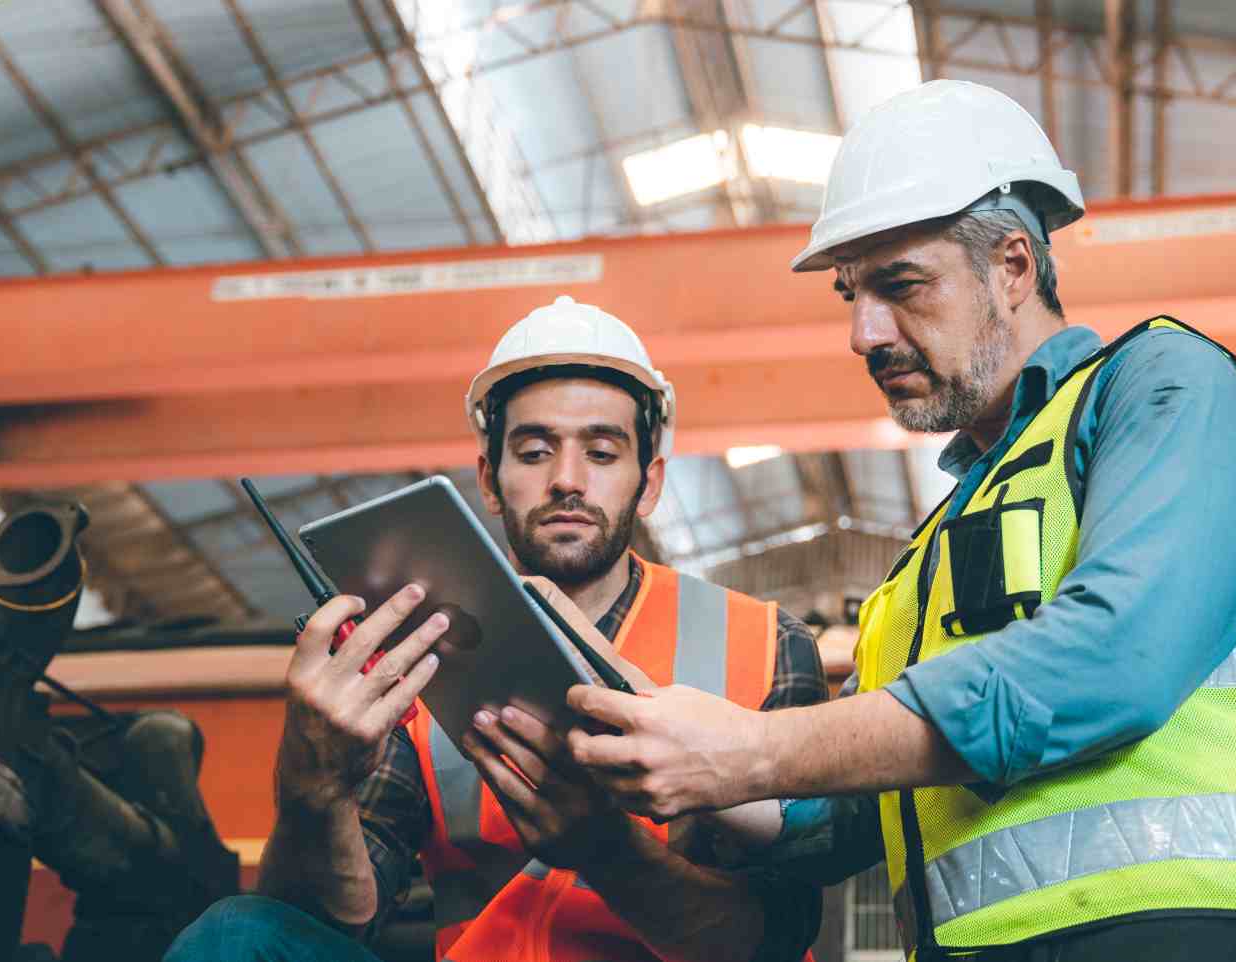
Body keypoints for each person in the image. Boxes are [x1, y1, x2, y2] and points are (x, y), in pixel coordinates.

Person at [566, 80, 1236, 962]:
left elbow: (1113, 656)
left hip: (1193, 940)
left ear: (1013, 266)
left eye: (899, 285)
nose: (864, 333)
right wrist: (682, 763)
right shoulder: (920, 563)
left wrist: (756, 749)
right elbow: (869, 802)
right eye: (851, 294)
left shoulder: (1164, 387)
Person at [167, 296, 828, 962]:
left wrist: (609, 854)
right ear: (489, 479)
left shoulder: (767, 645)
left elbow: (777, 936)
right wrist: (313, 787)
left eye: (601, 452)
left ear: (648, 483)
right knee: (238, 935)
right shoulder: (410, 657)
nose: (567, 481)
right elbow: (330, 923)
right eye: (535, 451)